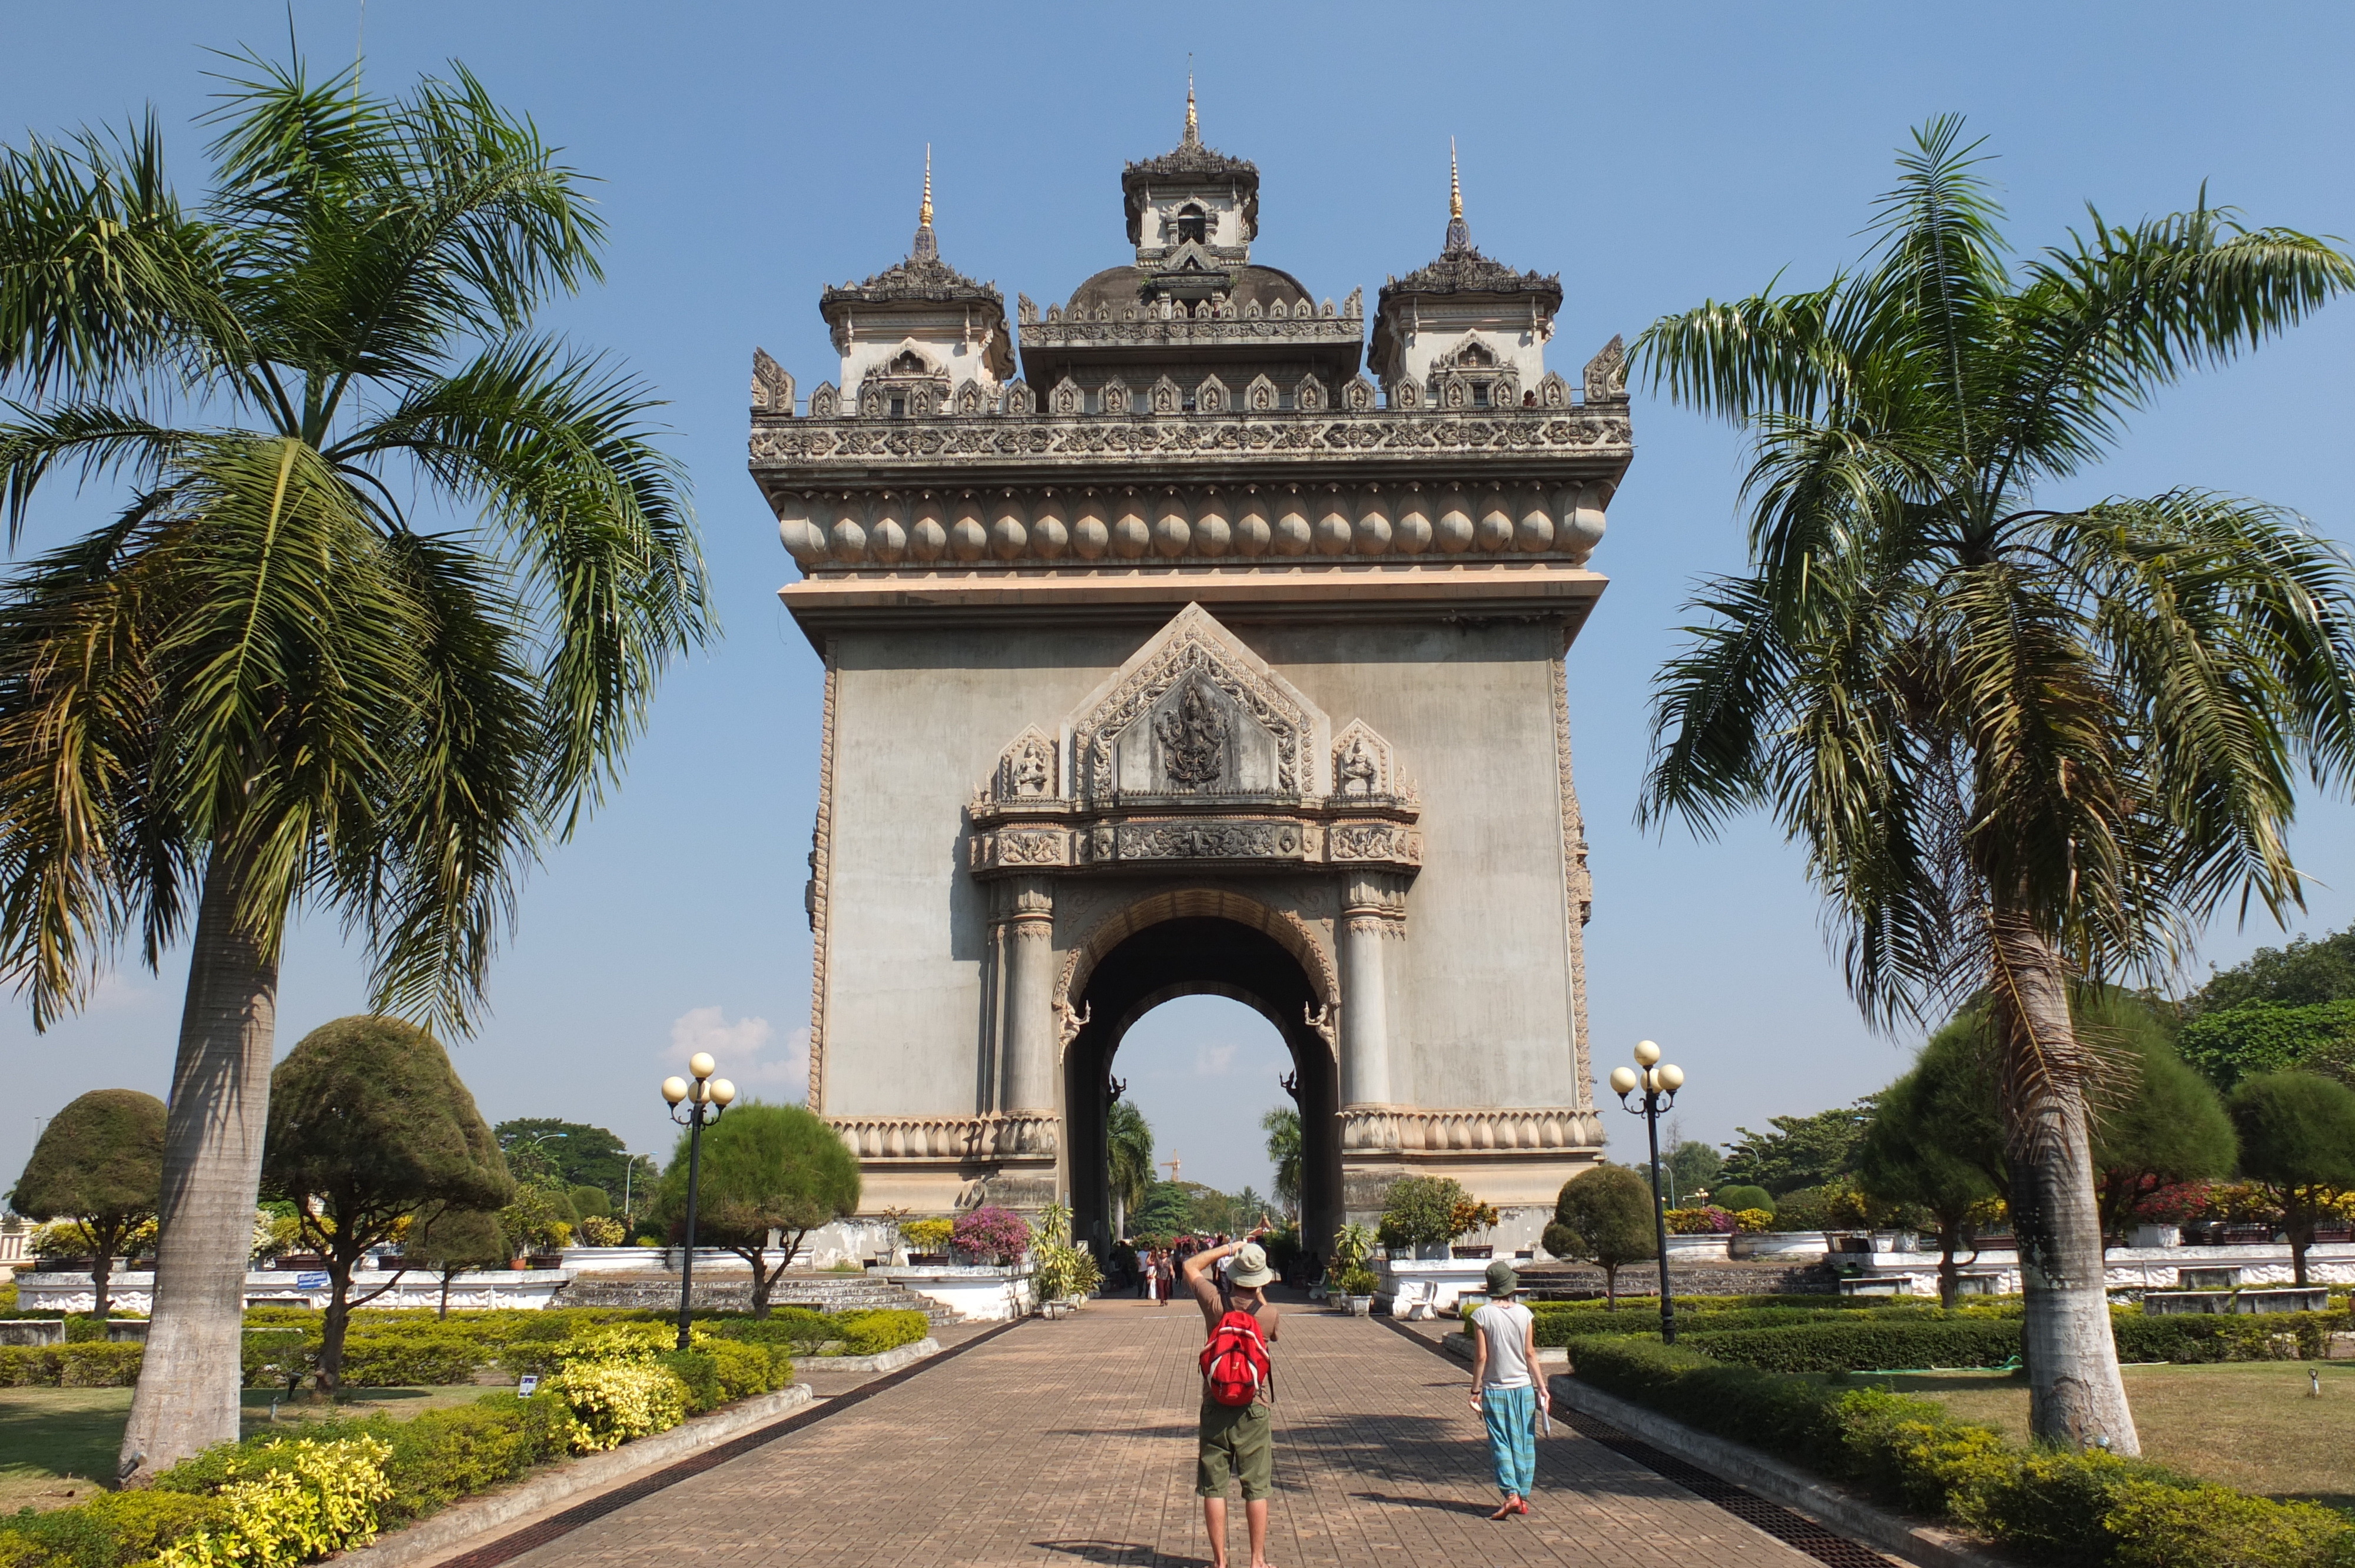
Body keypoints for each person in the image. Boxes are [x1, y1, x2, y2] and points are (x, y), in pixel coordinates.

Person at [1185, 1230, 1281, 1568]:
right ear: (1261, 1280)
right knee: (1257, 1486)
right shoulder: (1269, 1314)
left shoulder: (1214, 1302)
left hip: (1215, 1400)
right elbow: (1270, 1337)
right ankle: (1257, 1561)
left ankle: (1220, 1562)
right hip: (1254, 1405)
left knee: (1214, 1487)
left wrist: (1230, 1248)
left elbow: (1191, 1265)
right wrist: (1259, 1293)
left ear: (1233, 1274)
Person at [1467, 1258, 1547, 1519]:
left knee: (1501, 1442)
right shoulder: (1525, 1313)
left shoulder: (1481, 1315)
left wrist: (1475, 1390)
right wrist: (1542, 1387)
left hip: (1495, 1390)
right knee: (1525, 1441)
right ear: (1510, 1286)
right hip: (1523, 1387)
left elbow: (1482, 1357)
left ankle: (1511, 1494)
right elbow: (1530, 1353)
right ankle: (1522, 1495)